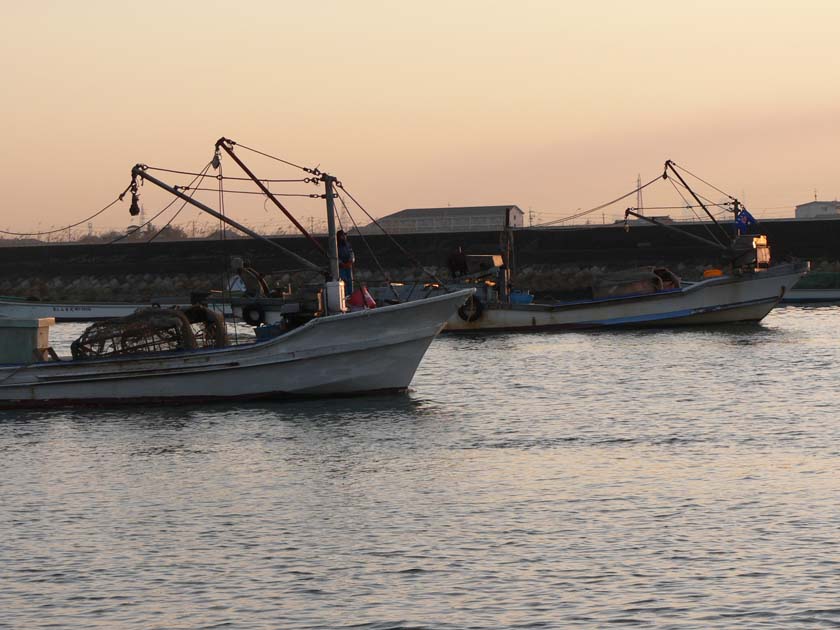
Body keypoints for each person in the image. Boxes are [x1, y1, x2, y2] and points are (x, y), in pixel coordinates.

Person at [337, 230, 355, 294]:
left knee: (350, 281)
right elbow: (335, 257)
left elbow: (351, 253)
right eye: (342, 236)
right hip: (341, 266)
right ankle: (345, 295)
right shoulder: (336, 246)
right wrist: (341, 263)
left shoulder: (348, 244)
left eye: (345, 235)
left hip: (348, 265)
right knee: (344, 280)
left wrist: (351, 261)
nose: (344, 237)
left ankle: (350, 295)